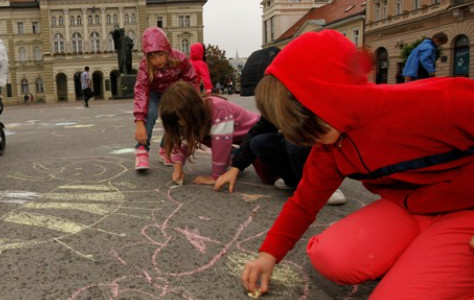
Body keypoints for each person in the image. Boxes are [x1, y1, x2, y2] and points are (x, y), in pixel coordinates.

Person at [241, 30, 474, 298]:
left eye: (306, 119)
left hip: (467, 211)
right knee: (330, 258)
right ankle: (426, 252)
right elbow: (303, 203)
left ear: (333, 90)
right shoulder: (330, 144)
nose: (307, 137)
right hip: (411, 208)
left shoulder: (434, 101)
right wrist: (268, 255)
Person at [213, 116, 346, 205]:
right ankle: (293, 181)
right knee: (258, 142)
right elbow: (256, 131)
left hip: (317, 144)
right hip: (290, 141)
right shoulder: (277, 98)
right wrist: (236, 167)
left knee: (295, 141)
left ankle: (322, 187)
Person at [160, 81, 259, 185]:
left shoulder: (218, 109)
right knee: (202, 134)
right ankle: (236, 154)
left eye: (181, 120)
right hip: (239, 140)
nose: (180, 124)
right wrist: (178, 167)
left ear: (192, 108)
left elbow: (221, 145)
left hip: (255, 134)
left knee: (268, 176)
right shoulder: (189, 117)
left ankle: (243, 155)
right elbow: (183, 141)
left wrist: (216, 176)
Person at [133, 27, 199, 170]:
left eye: (160, 55)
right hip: (154, 93)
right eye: (152, 57)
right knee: (149, 113)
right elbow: (141, 90)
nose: (156, 61)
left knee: (177, 117)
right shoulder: (145, 65)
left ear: (167, 51)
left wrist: (190, 104)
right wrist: (139, 122)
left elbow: (191, 81)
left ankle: (166, 148)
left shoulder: (180, 59)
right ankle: (142, 149)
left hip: (173, 93)